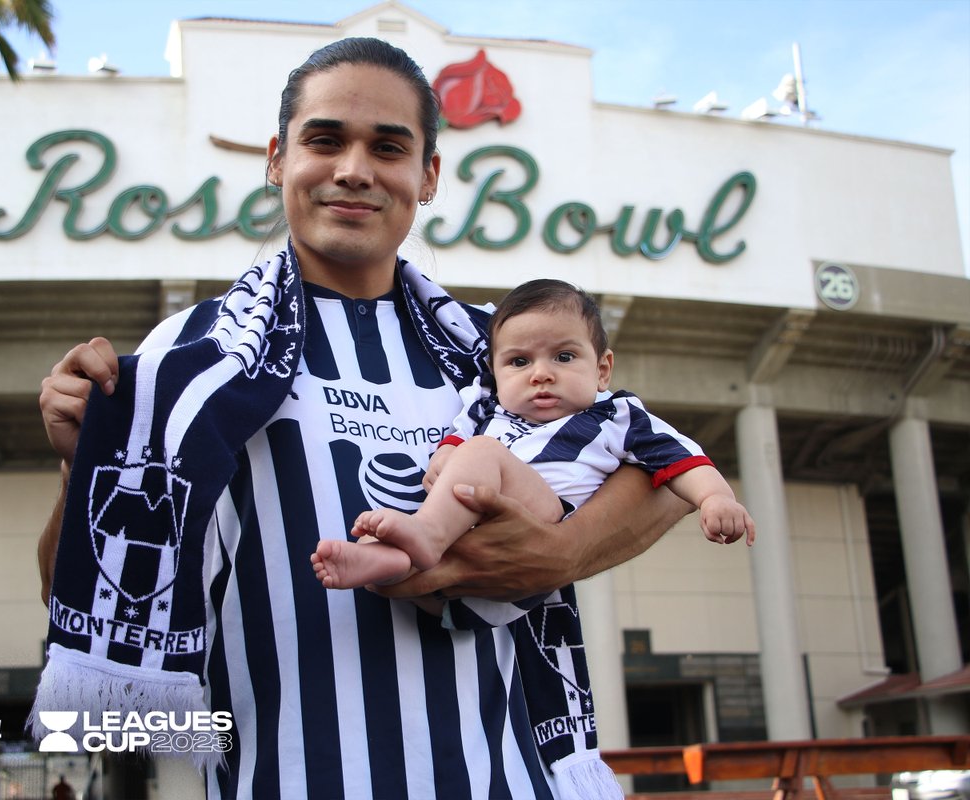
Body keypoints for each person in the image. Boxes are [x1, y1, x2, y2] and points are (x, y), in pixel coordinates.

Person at [37, 37, 687, 800]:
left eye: (388, 147)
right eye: (325, 140)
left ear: (428, 176)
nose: (354, 169)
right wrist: (81, 465)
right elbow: (71, 590)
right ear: (278, 158)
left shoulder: (497, 349)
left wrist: (562, 553)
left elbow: (663, 472)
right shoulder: (188, 356)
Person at [311, 278, 754, 590]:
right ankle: (381, 562)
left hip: (544, 516)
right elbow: (457, 434)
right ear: (496, 372)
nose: (541, 374)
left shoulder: (618, 417)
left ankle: (422, 537)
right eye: (519, 362)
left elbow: (684, 460)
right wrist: (447, 454)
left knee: (481, 454)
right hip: (462, 543)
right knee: (391, 530)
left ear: (602, 370)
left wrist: (715, 499)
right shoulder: (489, 406)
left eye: (563, 356)